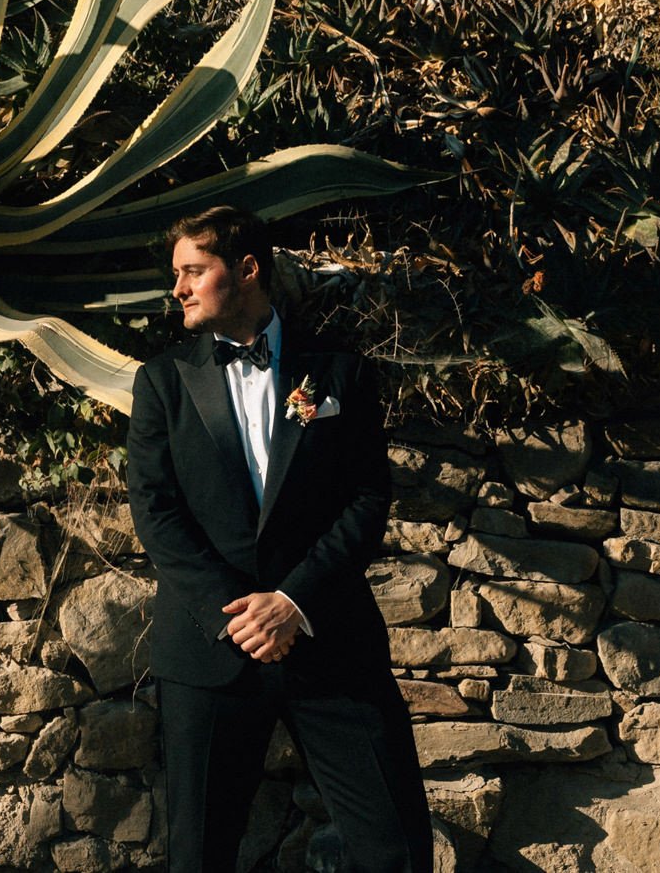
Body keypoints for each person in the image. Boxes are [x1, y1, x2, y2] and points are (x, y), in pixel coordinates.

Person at [125, 207, 431, 873]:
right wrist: (239, 616)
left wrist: (294, 601)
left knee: (398, 848)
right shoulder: (162, 384)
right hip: (211, 655)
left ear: (247, 270)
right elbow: (156, 514)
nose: (177, 289)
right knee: (199, 857)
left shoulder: (338, 372)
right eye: (176, 274)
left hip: (329, 643)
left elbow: (366, 498)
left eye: (192, 272)